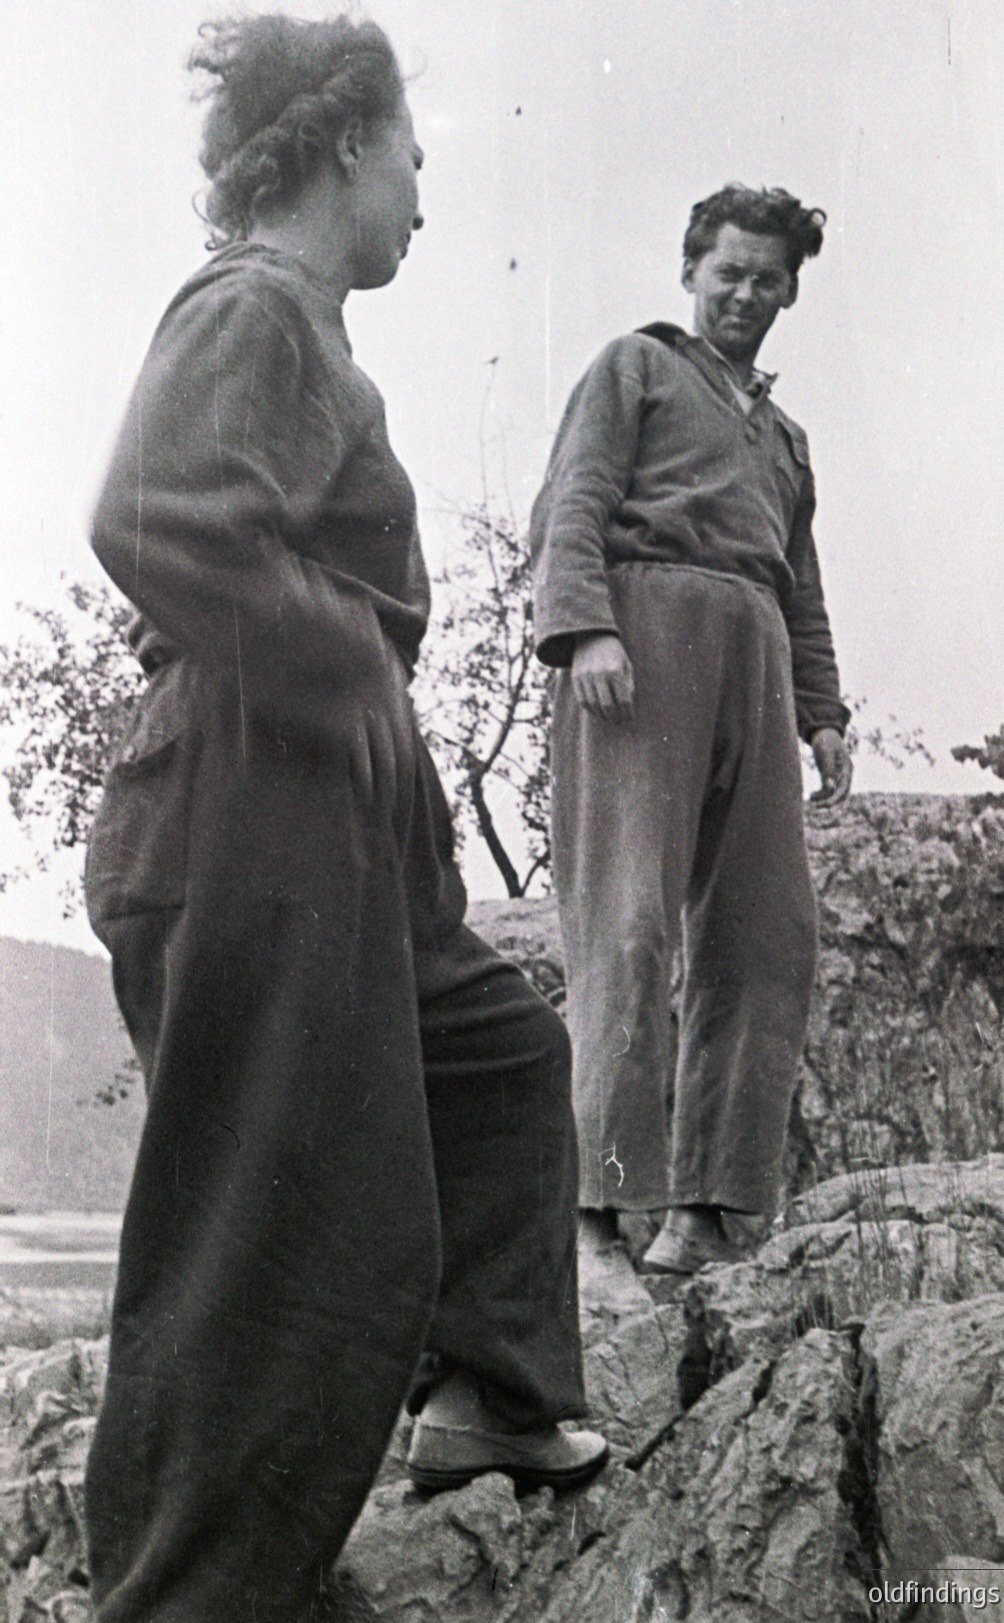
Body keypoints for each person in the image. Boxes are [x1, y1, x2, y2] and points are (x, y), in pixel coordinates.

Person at [83, 15, 605, 1621]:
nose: (426, 203)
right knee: (271, 1245)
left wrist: (407, 821)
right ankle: (187, 1595)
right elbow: (155, 516)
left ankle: (492, 1396)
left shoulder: (308, 334)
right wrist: (356, 684)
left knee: (501, 1066)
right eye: (416, 161)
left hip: (321, 839)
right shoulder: (252, 307)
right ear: (340, 148)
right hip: (242, 819)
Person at [530, 184, 852, 1277]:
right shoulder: (637, 366)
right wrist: (586, 631)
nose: (747, 294)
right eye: (730, 272)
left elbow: (798, 580)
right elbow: (572, 499)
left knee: (768, 936)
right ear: (691, 271)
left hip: (755, 657)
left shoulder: (786, 436)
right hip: (644, 642)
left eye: (769, 280)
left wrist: (824, 712)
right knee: (627, 925)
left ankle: (708, 1214)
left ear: (789, 294)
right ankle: (604, 1212)